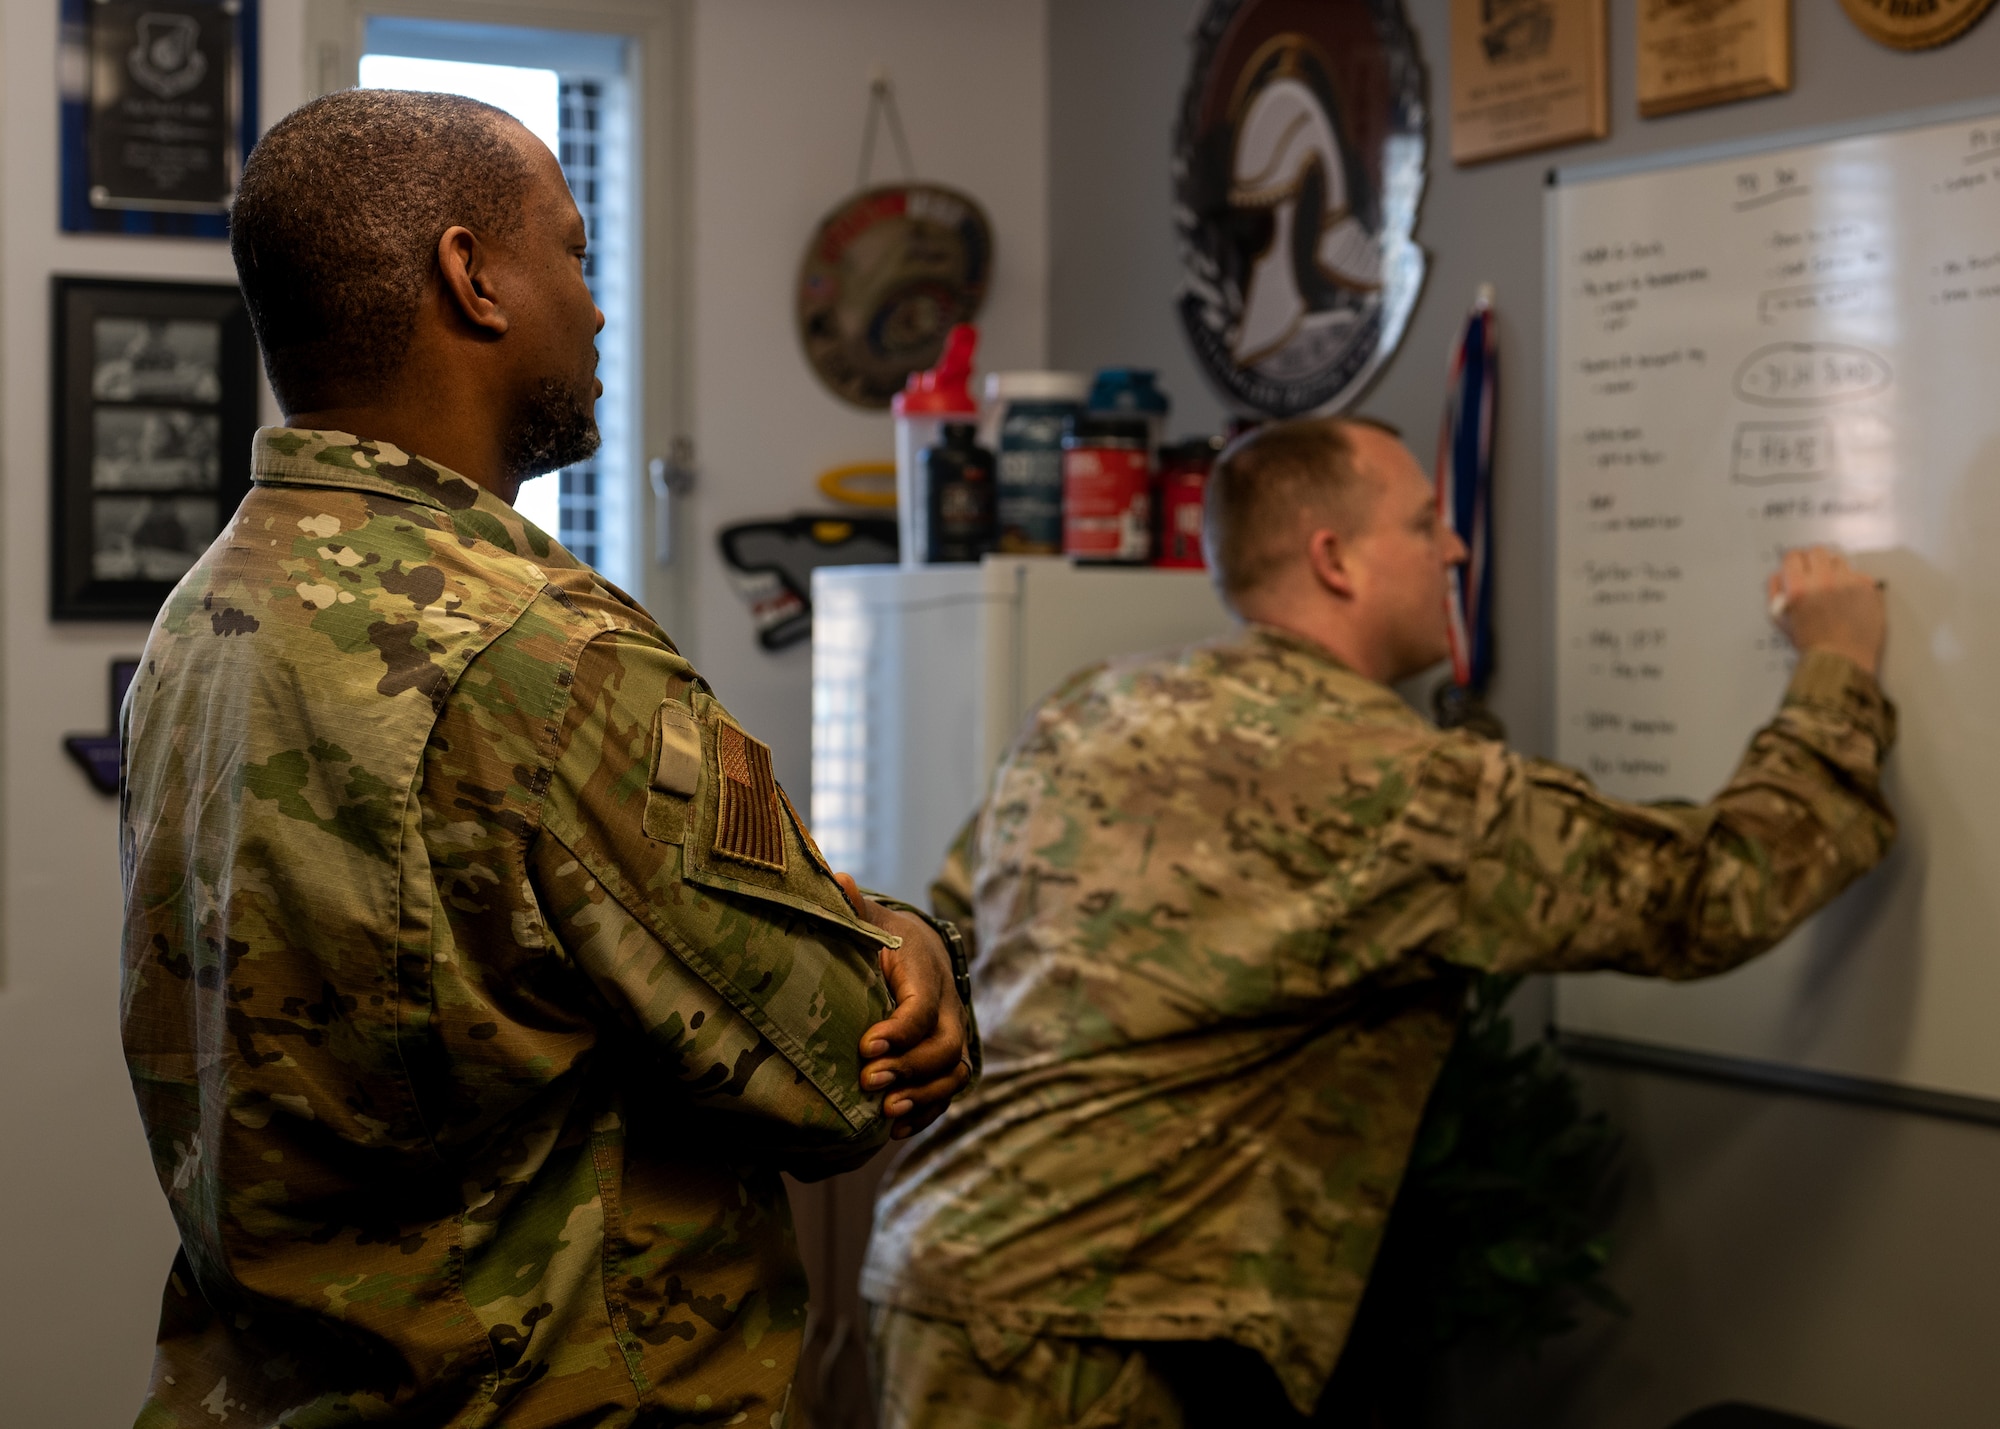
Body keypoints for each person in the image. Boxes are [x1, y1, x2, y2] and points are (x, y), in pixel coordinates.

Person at [119, 90, 973, 1429]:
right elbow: (840, 1067)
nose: (597, 304)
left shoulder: (214, 610)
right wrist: (900, 935)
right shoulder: (538, 650)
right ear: (472, 276)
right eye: (573, 252)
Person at [861, 416, 1895, 1427]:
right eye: (1424, 520)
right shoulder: (1395, 781)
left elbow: (953, 926)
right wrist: (1835, 670)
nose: (1453, 545)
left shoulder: (1091, 706)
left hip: (941, 1264)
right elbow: (1710, 890)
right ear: (1335, 558)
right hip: (1090, 1332)